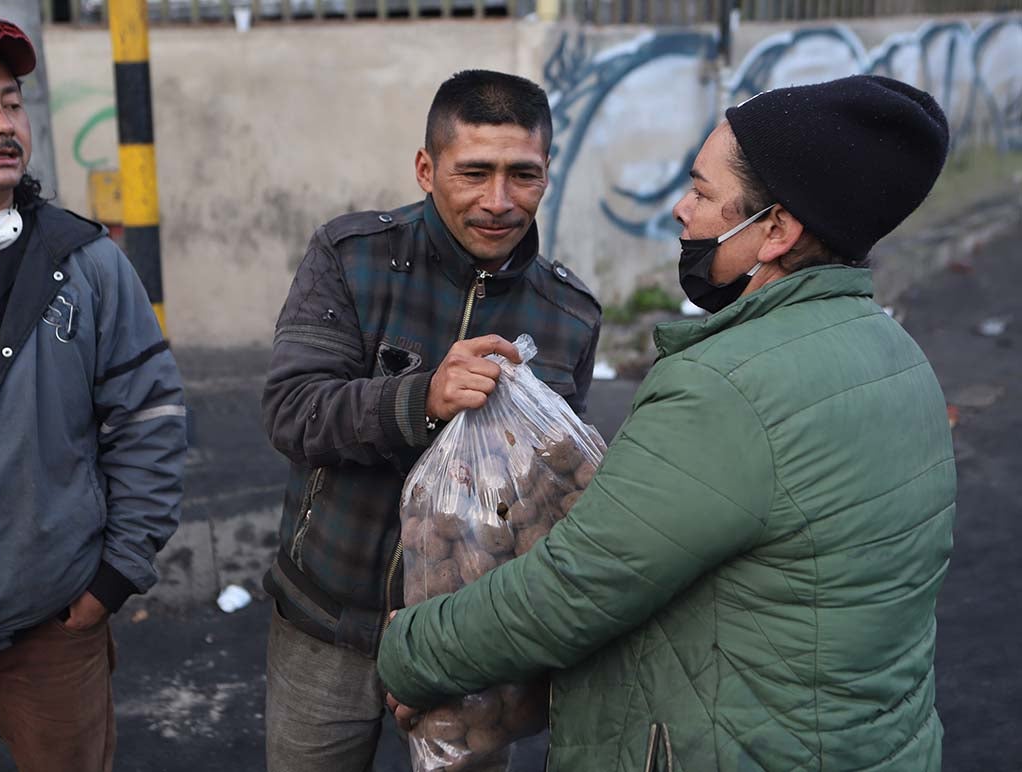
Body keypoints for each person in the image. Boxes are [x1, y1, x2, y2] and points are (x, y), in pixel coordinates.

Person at [379, 74, 956, 771]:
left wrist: (414, 652)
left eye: (705, 193)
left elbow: (578, 586)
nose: (682, 211)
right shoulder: (894, 352)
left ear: (776, 229)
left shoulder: (728, 385)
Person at [260, 69, 601, 770]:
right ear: (426, 167)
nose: (499, 201)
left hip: (474, 644)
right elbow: (293, 411)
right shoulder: (352, 260)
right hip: (329, 621)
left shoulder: (570, 314)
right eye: (473, 172)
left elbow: (560, 497)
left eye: (523, 175)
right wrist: (422, 400)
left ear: (547, 173)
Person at [0, 20, 186, 771]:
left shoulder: (85, 262)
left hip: (51, 626)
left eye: (13, 103)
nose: (4, 125)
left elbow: (151, 417)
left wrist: (112, 580)